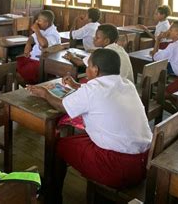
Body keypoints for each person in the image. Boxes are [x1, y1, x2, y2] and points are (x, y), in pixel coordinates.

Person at [28, 49, 151, 202]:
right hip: (143, 163)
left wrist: (45, 93)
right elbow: (96, 93)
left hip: (116, 167)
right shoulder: (127, 85)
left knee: (58, 146)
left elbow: (62, 106)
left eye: (88, 66)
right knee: (76, 140)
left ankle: (52, 195)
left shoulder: (93, 90)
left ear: (96, 69)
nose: (86, 69)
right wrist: (76, 86)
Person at [65, 23, 134, 83]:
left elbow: (79, 62)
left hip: (114, 88)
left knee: (82, 79)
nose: (94, 38)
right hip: (126, 85)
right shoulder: (119, 48)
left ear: (106, 41)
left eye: (97, 38)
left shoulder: (104, 53)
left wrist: (71, 56)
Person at [16, 10, 61, 84]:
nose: (36, 22)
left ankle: (30, 88)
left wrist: (36, 30)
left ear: (46, 23)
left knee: (17, 75)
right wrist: (28, 44)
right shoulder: (43, 29)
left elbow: (44, 44)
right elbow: (32, 38)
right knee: (12, 66)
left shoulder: (54, 34)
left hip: (42, 63)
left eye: (39, 21)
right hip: (32, 58)